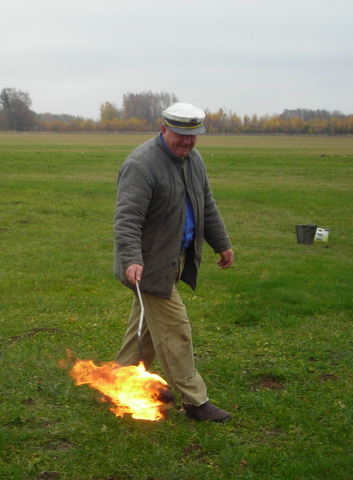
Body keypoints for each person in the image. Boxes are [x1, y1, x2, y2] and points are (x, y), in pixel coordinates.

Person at [113, 102, 234, 422]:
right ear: (164, 128)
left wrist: (221, 244)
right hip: (148, 264)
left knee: (147, 332)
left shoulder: (194, 161)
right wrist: (131, 259)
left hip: (175, 258)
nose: (188, 142)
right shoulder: (141, 164)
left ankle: (118, 379)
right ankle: (196, 401)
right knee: (176, 330)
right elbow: (127, 219)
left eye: (193, 136)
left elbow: (206, 204)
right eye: (181, 134)